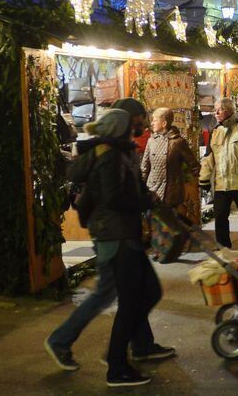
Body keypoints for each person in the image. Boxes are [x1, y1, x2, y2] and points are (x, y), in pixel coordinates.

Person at [45, 101, 174, 380]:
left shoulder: (118, 153)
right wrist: (144, 201)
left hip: (119, 233)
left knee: (145, 292)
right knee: (125, 298)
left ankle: (134, 348)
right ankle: (116, 359)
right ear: (123, 127)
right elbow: (114, 199)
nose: (139, 125)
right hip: (115, 235)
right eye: (135, 121)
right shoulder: (110, 156)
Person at [199, 98, 238, 250]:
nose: (216, 112)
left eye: (219, 109)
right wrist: (204, 179)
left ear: (229, 110)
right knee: (220, 219)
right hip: (222, 184)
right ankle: (224, 249)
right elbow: (209, 157)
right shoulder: (215, 131)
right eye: (215, 109)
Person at [141, 108, 201, 225]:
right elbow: (144, 167)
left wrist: (201, 181)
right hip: (152, 189)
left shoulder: (178, 142)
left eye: (154, 120)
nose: (152, 123)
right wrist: (141, 188)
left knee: (169, 228)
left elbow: (193, 165)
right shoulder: (151, 141)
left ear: (164, 123)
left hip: (171, 191)